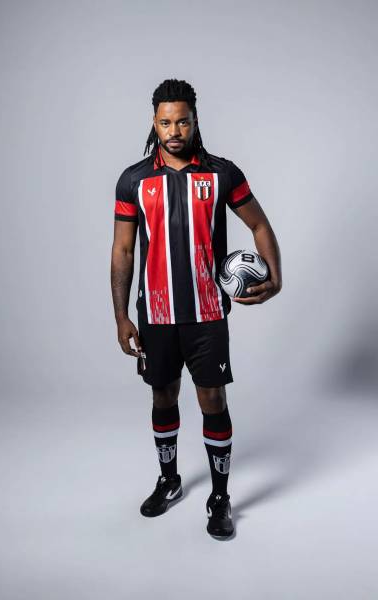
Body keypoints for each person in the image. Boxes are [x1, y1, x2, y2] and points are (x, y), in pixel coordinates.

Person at [110, 78, 282, 539]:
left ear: (195, 121)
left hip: (207, 313)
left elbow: (259, 224)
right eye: (166, 122)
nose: (174, 131)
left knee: (213, 399)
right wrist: (121, 316)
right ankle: (169, 481)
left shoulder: (221, 173)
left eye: (182, 121)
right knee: (162, 395)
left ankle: (220, 498)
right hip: (155, 315)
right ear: (154, 123)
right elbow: (123, 250)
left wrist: (275, 277)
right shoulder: (134, 180)